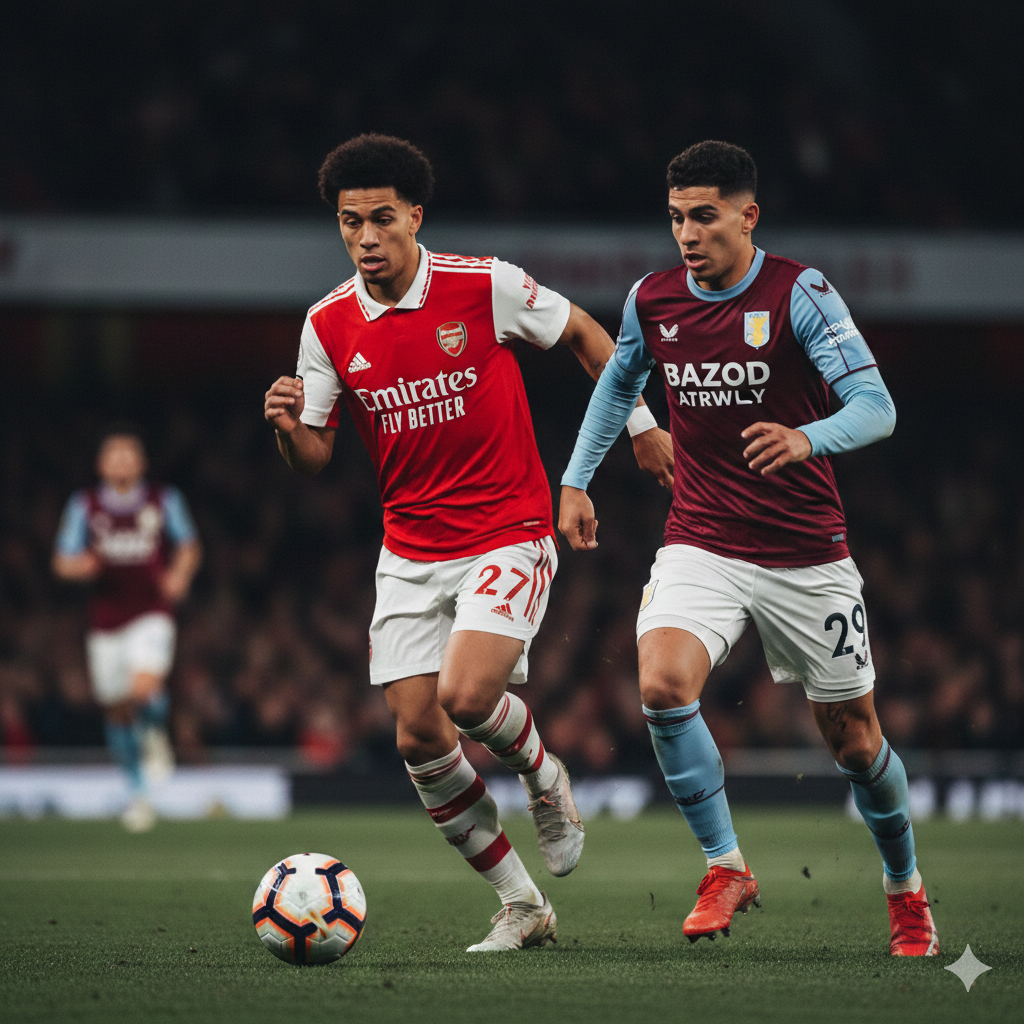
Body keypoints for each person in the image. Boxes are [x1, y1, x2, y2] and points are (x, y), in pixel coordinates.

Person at [264, 133, 673, 952]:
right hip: (410, 550)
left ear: (415, 216)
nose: (366, 238)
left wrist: (641, 426)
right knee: (418, 735)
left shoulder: (483, 284)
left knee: (466, 698)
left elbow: (592, 335)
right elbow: (313, 458)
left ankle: (544, 776)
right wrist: (284, 426)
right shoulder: (327, 323)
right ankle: (523, 906)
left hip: (508, 530)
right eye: (350, 223)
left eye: (382, 219)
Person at [558, 140, 939, 957]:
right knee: (661, 683)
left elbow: (877, 407)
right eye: (675, 219)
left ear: (746, 214)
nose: (687, 235)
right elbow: (621, 382)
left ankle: (905, 888)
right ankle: (725, 866)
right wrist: (576, 478)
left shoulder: (799, 292)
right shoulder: (652, 300)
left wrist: (808, 439)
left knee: (858, 745)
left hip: (808, 554)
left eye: (703, 216)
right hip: (703, 540)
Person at [53, 429, 201, 831]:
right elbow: (62, 560)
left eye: (128, 454)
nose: (120, 461)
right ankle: (139, 793)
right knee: (117, 709)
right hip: (105, 621)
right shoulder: (84, 506)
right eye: (113, 454)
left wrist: (179, 575)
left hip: (151, 611)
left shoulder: (163, 501)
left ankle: (155, 732)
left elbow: (188, 544)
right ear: (101, 464)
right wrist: (79, 566)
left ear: (141, 463)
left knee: (143, 688)